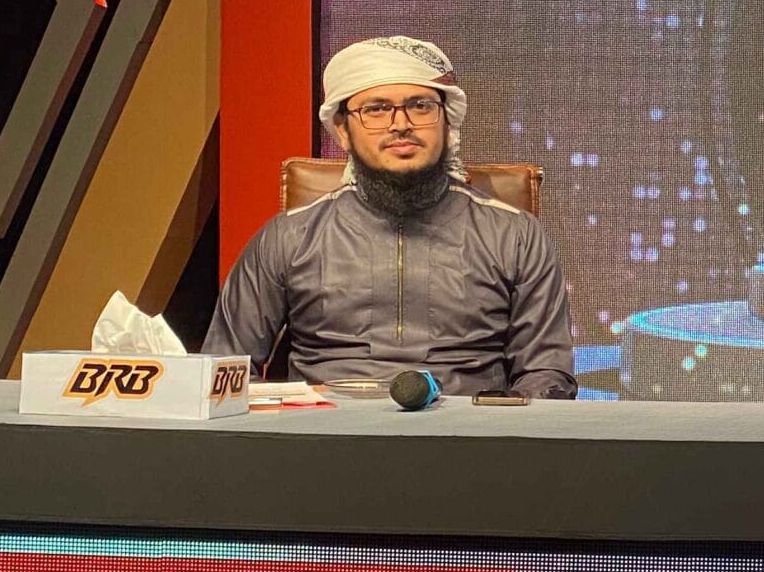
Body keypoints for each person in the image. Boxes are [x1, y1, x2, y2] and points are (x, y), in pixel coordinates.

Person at [209, 36, 577, 398]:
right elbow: (223, 369)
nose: (400, 124)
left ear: (447, 122)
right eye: (376, 109)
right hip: (322, 429)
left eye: (420, 106)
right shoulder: (289, 236)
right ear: (342, 129)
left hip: (468, 429)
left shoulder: (516, 235)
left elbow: (546, 373)